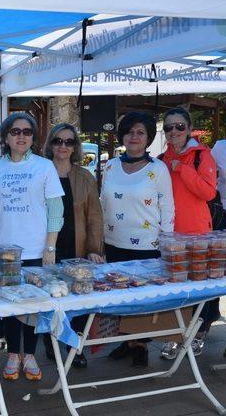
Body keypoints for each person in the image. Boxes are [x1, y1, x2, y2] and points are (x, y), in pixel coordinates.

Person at [0, 112, 64, 382]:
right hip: (4, 254)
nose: (21, 136)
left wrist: (50, 248)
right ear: (6, 136)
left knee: (32, 307)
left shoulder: (44, 167)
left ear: (33, 137)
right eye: (15, 131)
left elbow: (56, 210)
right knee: (10, 307)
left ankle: (29, 354)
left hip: (35, 251)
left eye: (27, 131)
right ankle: (13, 354)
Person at [101, 111, 174, 367]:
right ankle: (126, 340)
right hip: (113, 242)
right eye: (130, 131)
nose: (134, 136)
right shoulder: (110, 166)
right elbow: (103, 204)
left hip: (147, 244)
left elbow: (167, 207)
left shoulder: (158, 169)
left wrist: (168, 242)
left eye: (140, 132)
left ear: (148, 138)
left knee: (143, 297)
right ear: (122, 136)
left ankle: (141, 344)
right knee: (121, 295)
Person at [42, 123, 104, 368]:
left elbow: (95, 217)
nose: (63, 146)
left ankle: (75, 346)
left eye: (69, 142)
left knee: (77, 299)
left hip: (76, 245)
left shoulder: (85, 176)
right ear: (51, 144)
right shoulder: (40, 171)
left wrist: (94, 249)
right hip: (48, 245)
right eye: (58, 141)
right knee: (51, 297)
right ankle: (51, 342)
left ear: (75, 146)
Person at [159, 106, 218, 360]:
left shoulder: (201, 155)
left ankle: (200, 331)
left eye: (179, 126)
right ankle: (175, 335)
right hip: (170, 234)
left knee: (200, 289)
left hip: (197, 233)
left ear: (189, 129)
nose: (174, 131)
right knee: (174, 290)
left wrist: (182, 169)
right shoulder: (161, 159)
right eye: (169, 127)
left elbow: (208, 193)